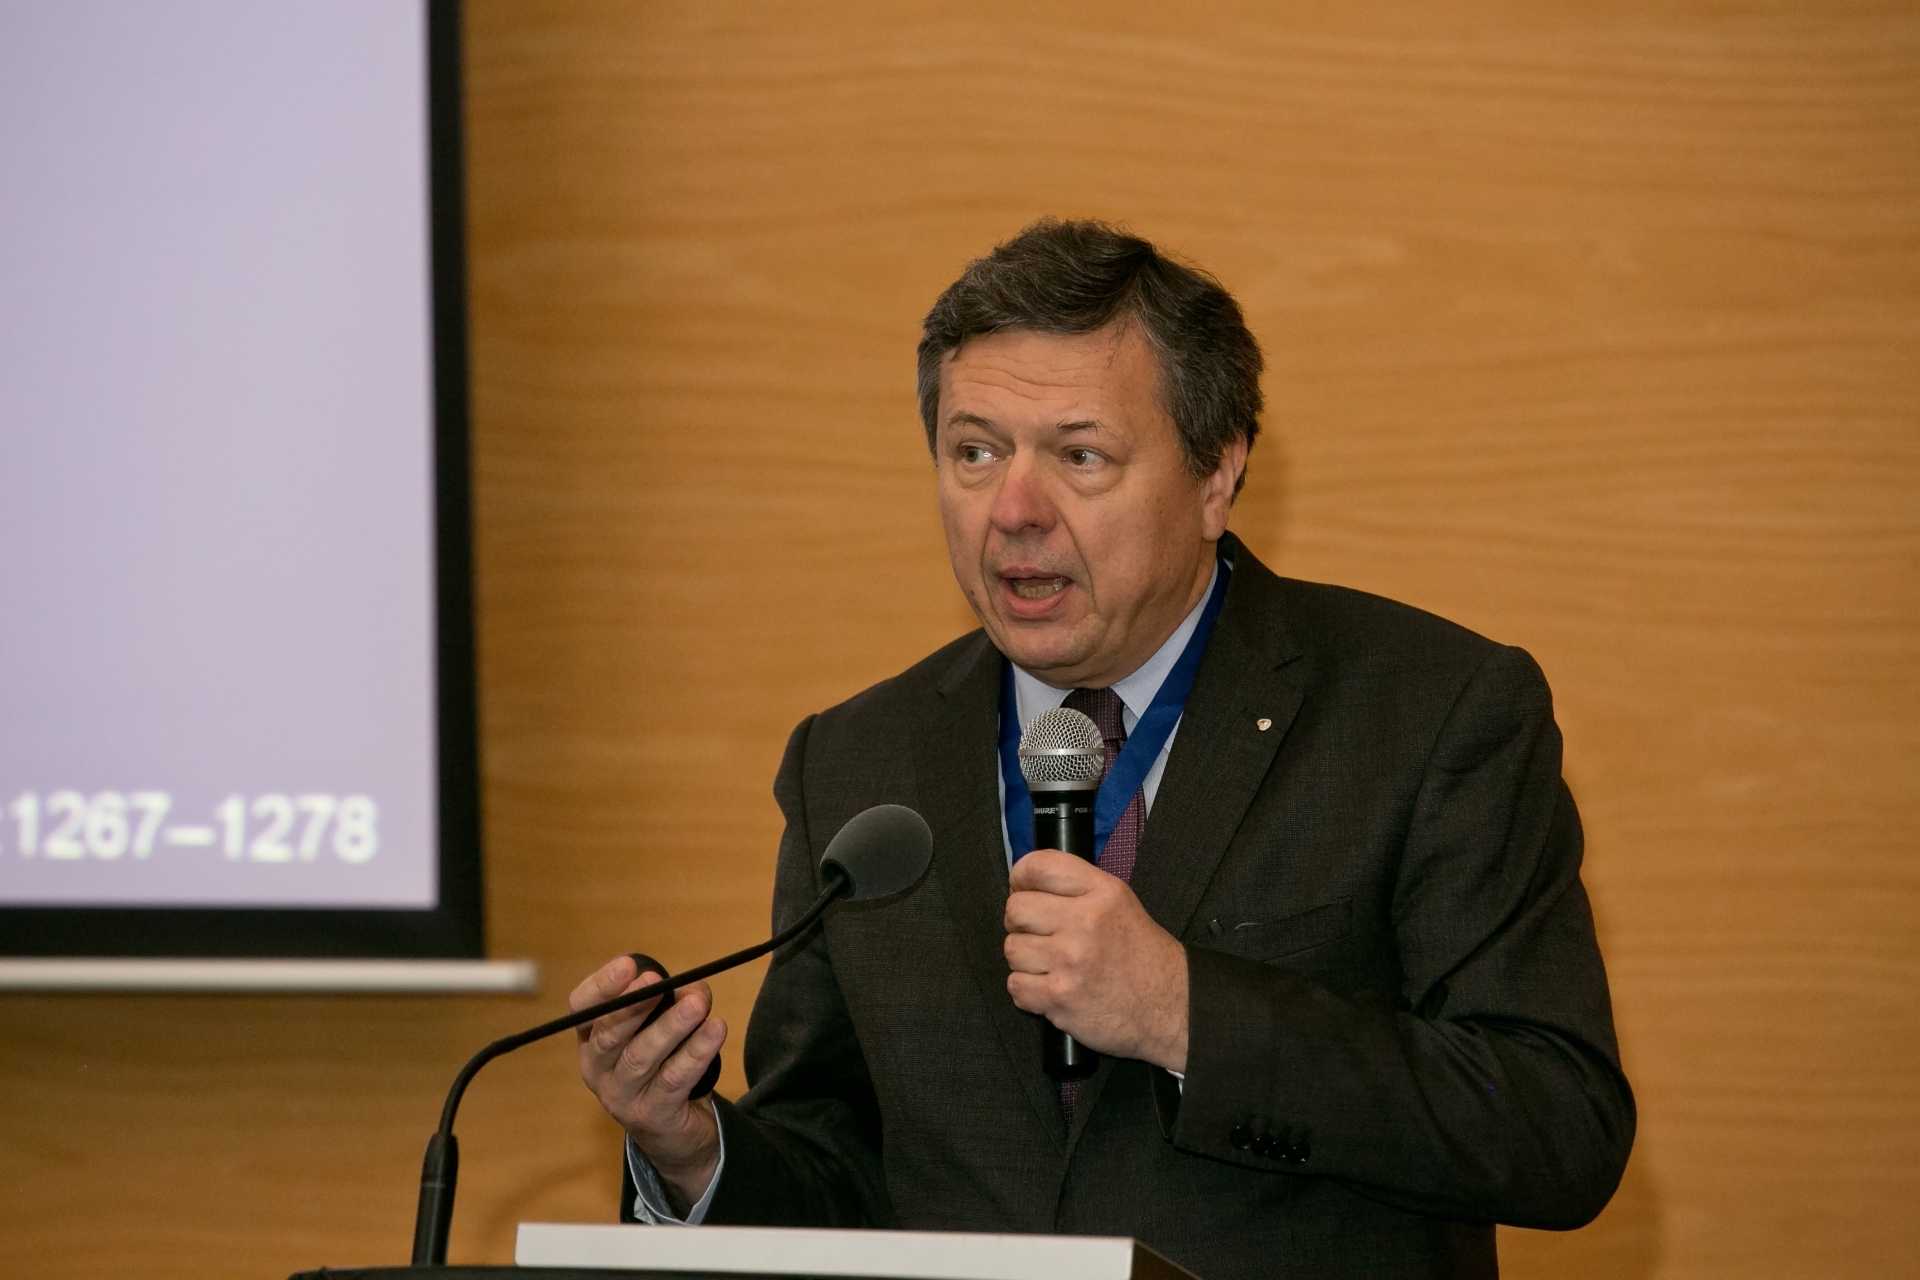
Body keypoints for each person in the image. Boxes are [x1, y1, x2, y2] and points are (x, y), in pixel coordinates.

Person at [569, 219, 1635, 1280]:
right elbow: (842, 1167)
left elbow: (1556, 1125)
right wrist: (693, 1152)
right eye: (975, 452)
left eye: (1080, 456)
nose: (1013, 511)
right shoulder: (857, 762)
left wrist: (1185, 1013)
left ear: (1217, 474)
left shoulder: (1427, 710)